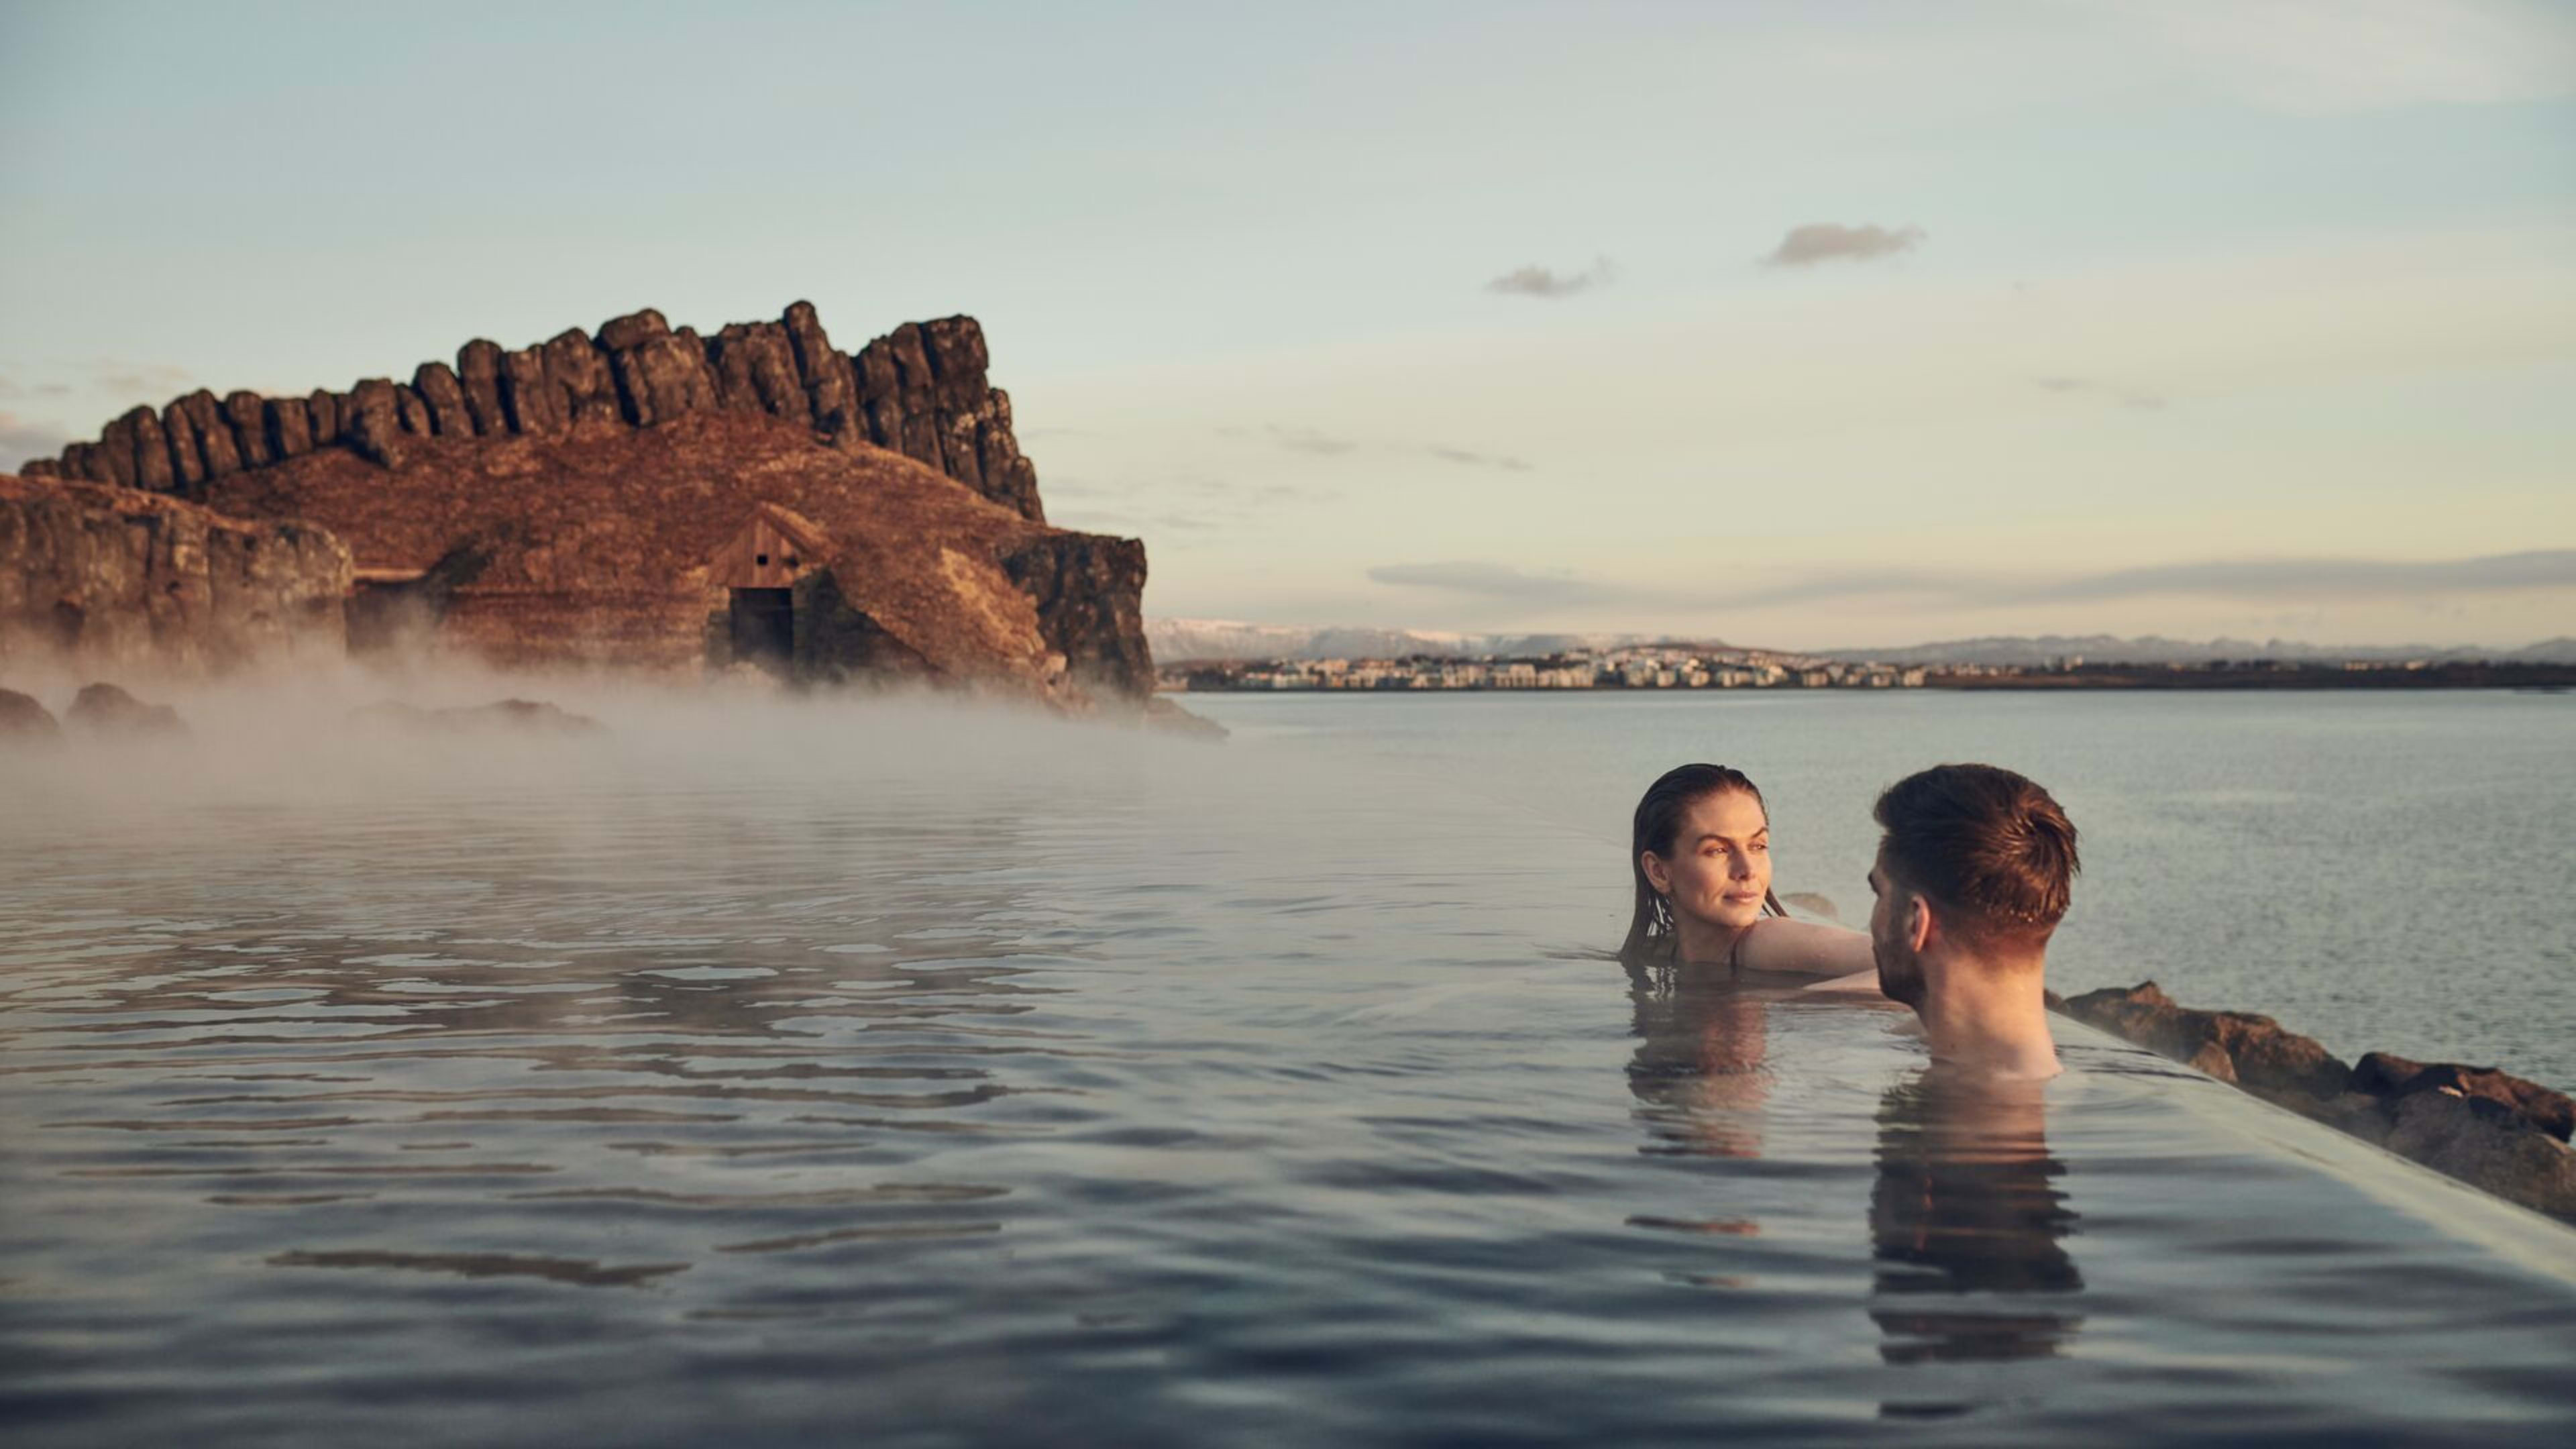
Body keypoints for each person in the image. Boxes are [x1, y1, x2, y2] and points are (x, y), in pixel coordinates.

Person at [1865, 763, 2078, 1080]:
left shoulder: (1977, 1112)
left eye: (1878, 893)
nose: (1871, 920)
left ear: (1916, 922)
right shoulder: (2038, 1077)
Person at [1620, 763, 1878, 987]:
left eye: (1758, 846)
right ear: (1659, 872)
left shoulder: (1769, 942)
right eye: (1718, 850)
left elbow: (1913, 966)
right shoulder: (1657, 951)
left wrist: (1806, 1002)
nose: (1747, 870)